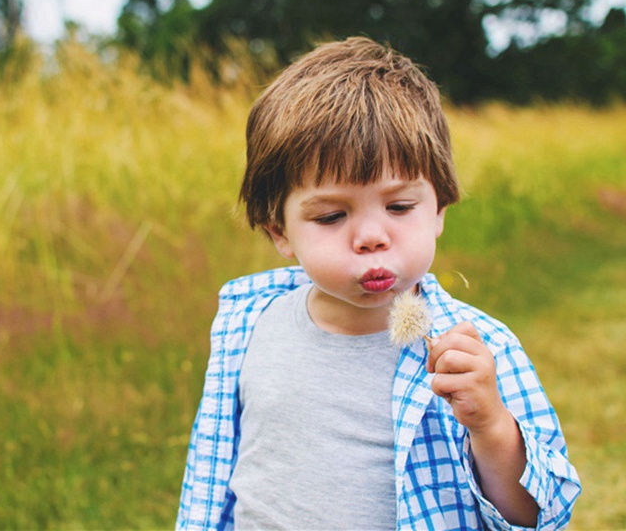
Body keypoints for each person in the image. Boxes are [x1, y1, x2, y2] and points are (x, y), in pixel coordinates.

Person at [176, 37, 581, 530]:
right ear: (280, 232)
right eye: (330, 216)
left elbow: (539, 516)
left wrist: (492, 426)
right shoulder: (248, 324)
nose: (371, 237)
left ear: (439, 211)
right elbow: (212, 473)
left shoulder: (479, 352)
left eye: (399, 207)